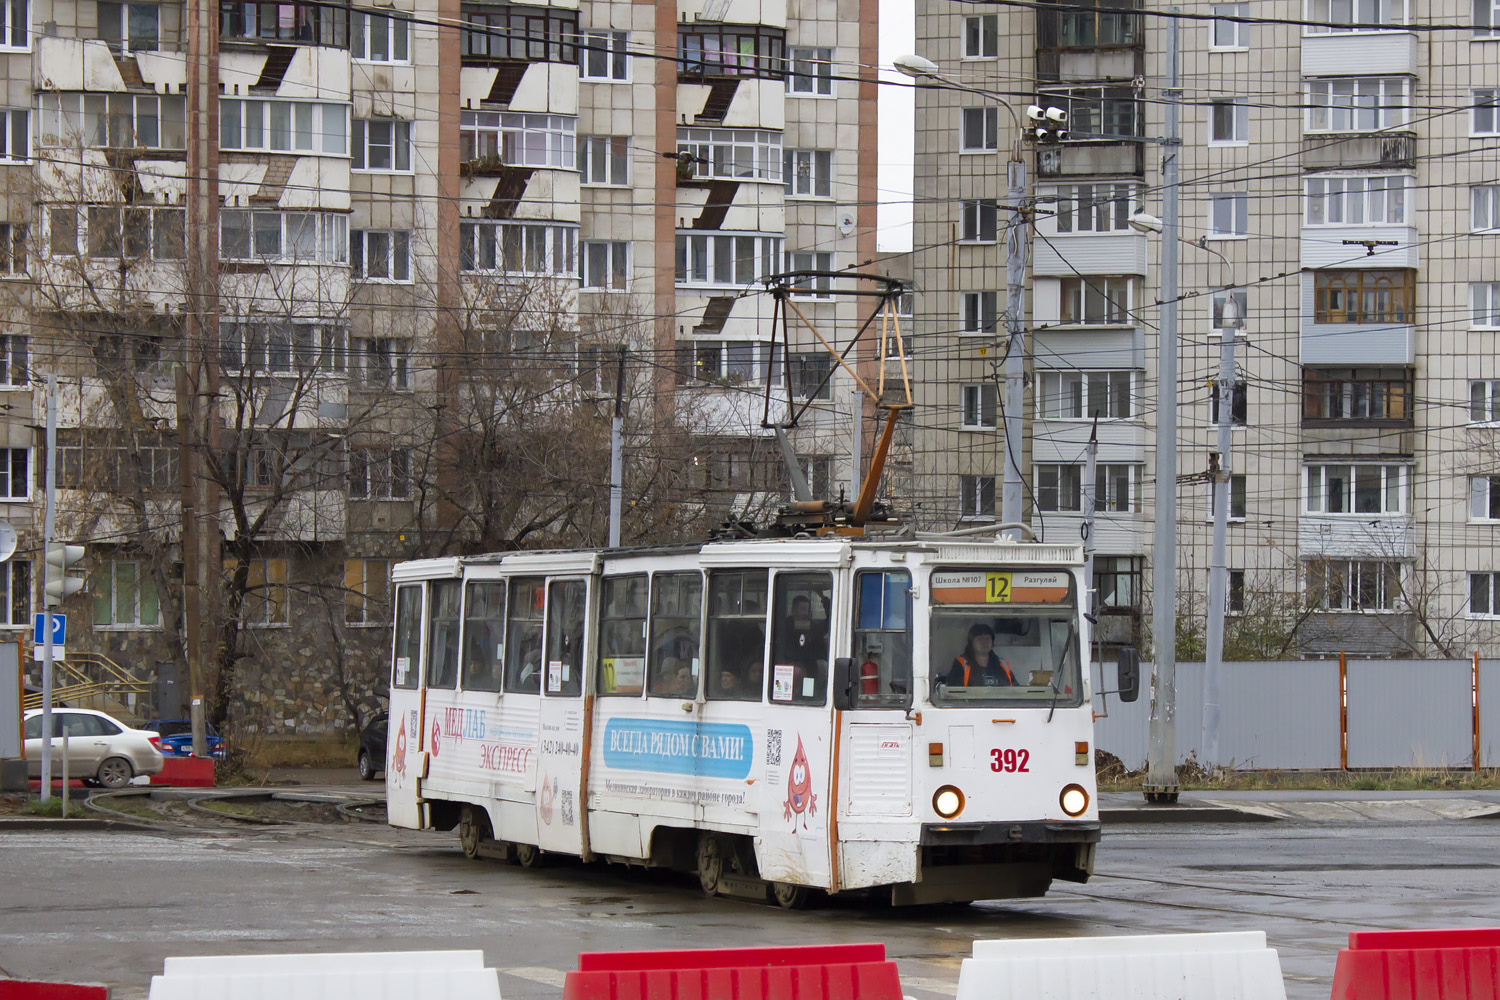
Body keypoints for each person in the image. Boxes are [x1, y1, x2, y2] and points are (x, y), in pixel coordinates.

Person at [943, 623, 1016, 688]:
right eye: (980, 639)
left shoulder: (1003, 664)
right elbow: (954, 693)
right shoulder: (962, 664)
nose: (984, 642)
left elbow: (1015, 689)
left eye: (987, 638)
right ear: (971, 643)